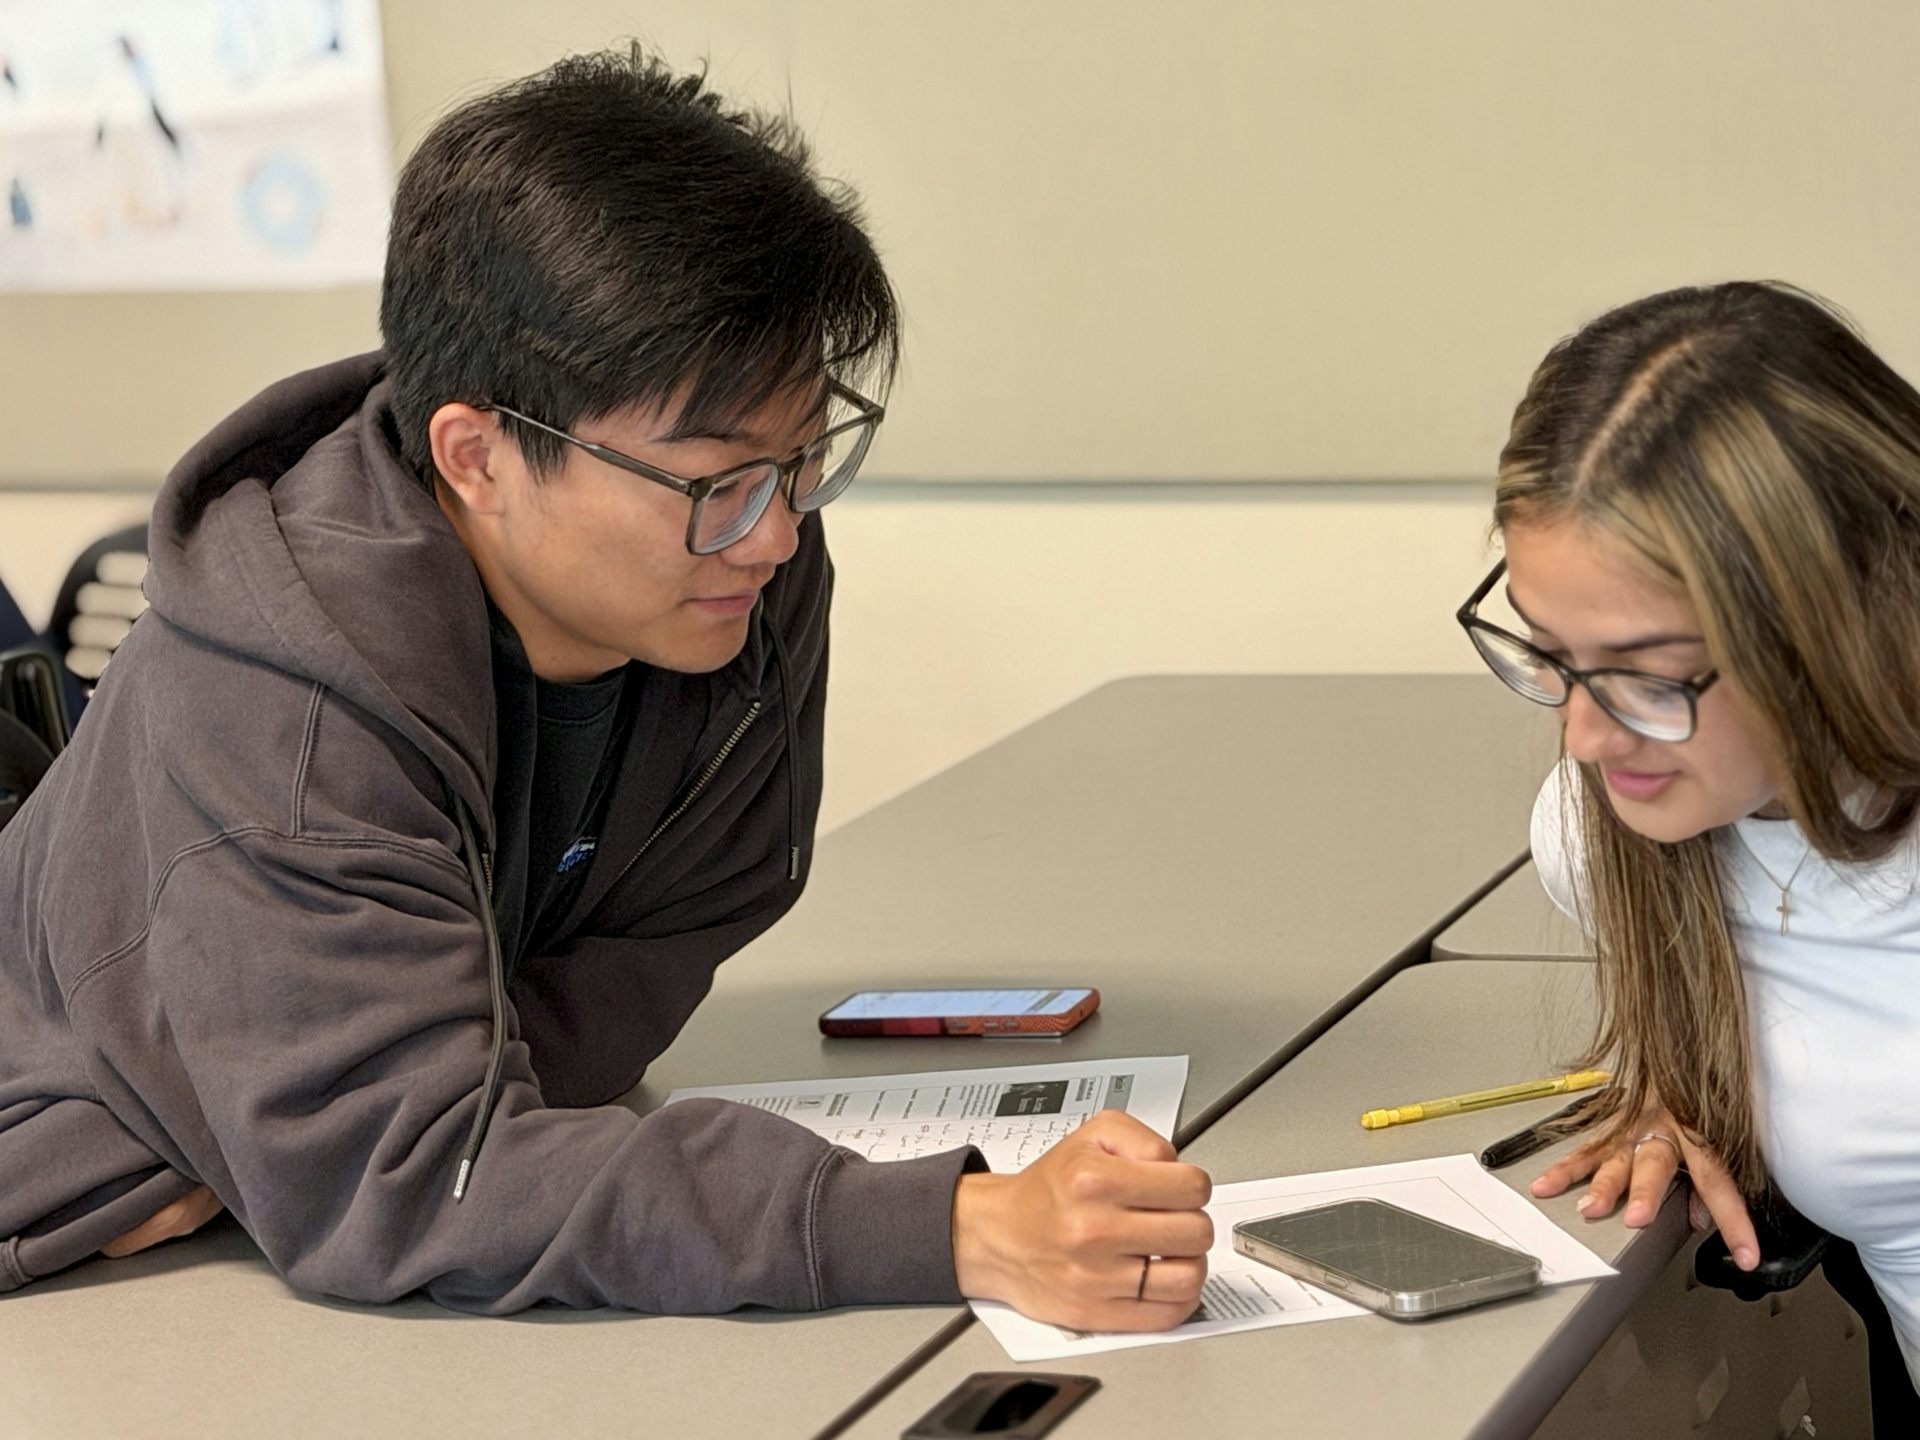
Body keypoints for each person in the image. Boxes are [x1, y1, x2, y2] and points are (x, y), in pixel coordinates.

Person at [0, 48, 1212, 1333]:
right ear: (476, 455)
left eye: (805, 461)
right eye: (715, 483)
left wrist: (380, 1116)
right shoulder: (289, 708)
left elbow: (695, 911)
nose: (774, 536)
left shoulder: (734, 574)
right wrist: (947, 1227)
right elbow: (412, 1180)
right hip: (88, 1274)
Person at [1456, 281, 1920, 1390]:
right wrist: (1694, 1075)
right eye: (1550, 654)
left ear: (1845, 620)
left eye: (1649, 678)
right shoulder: (1605, 831)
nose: (1582, 735)